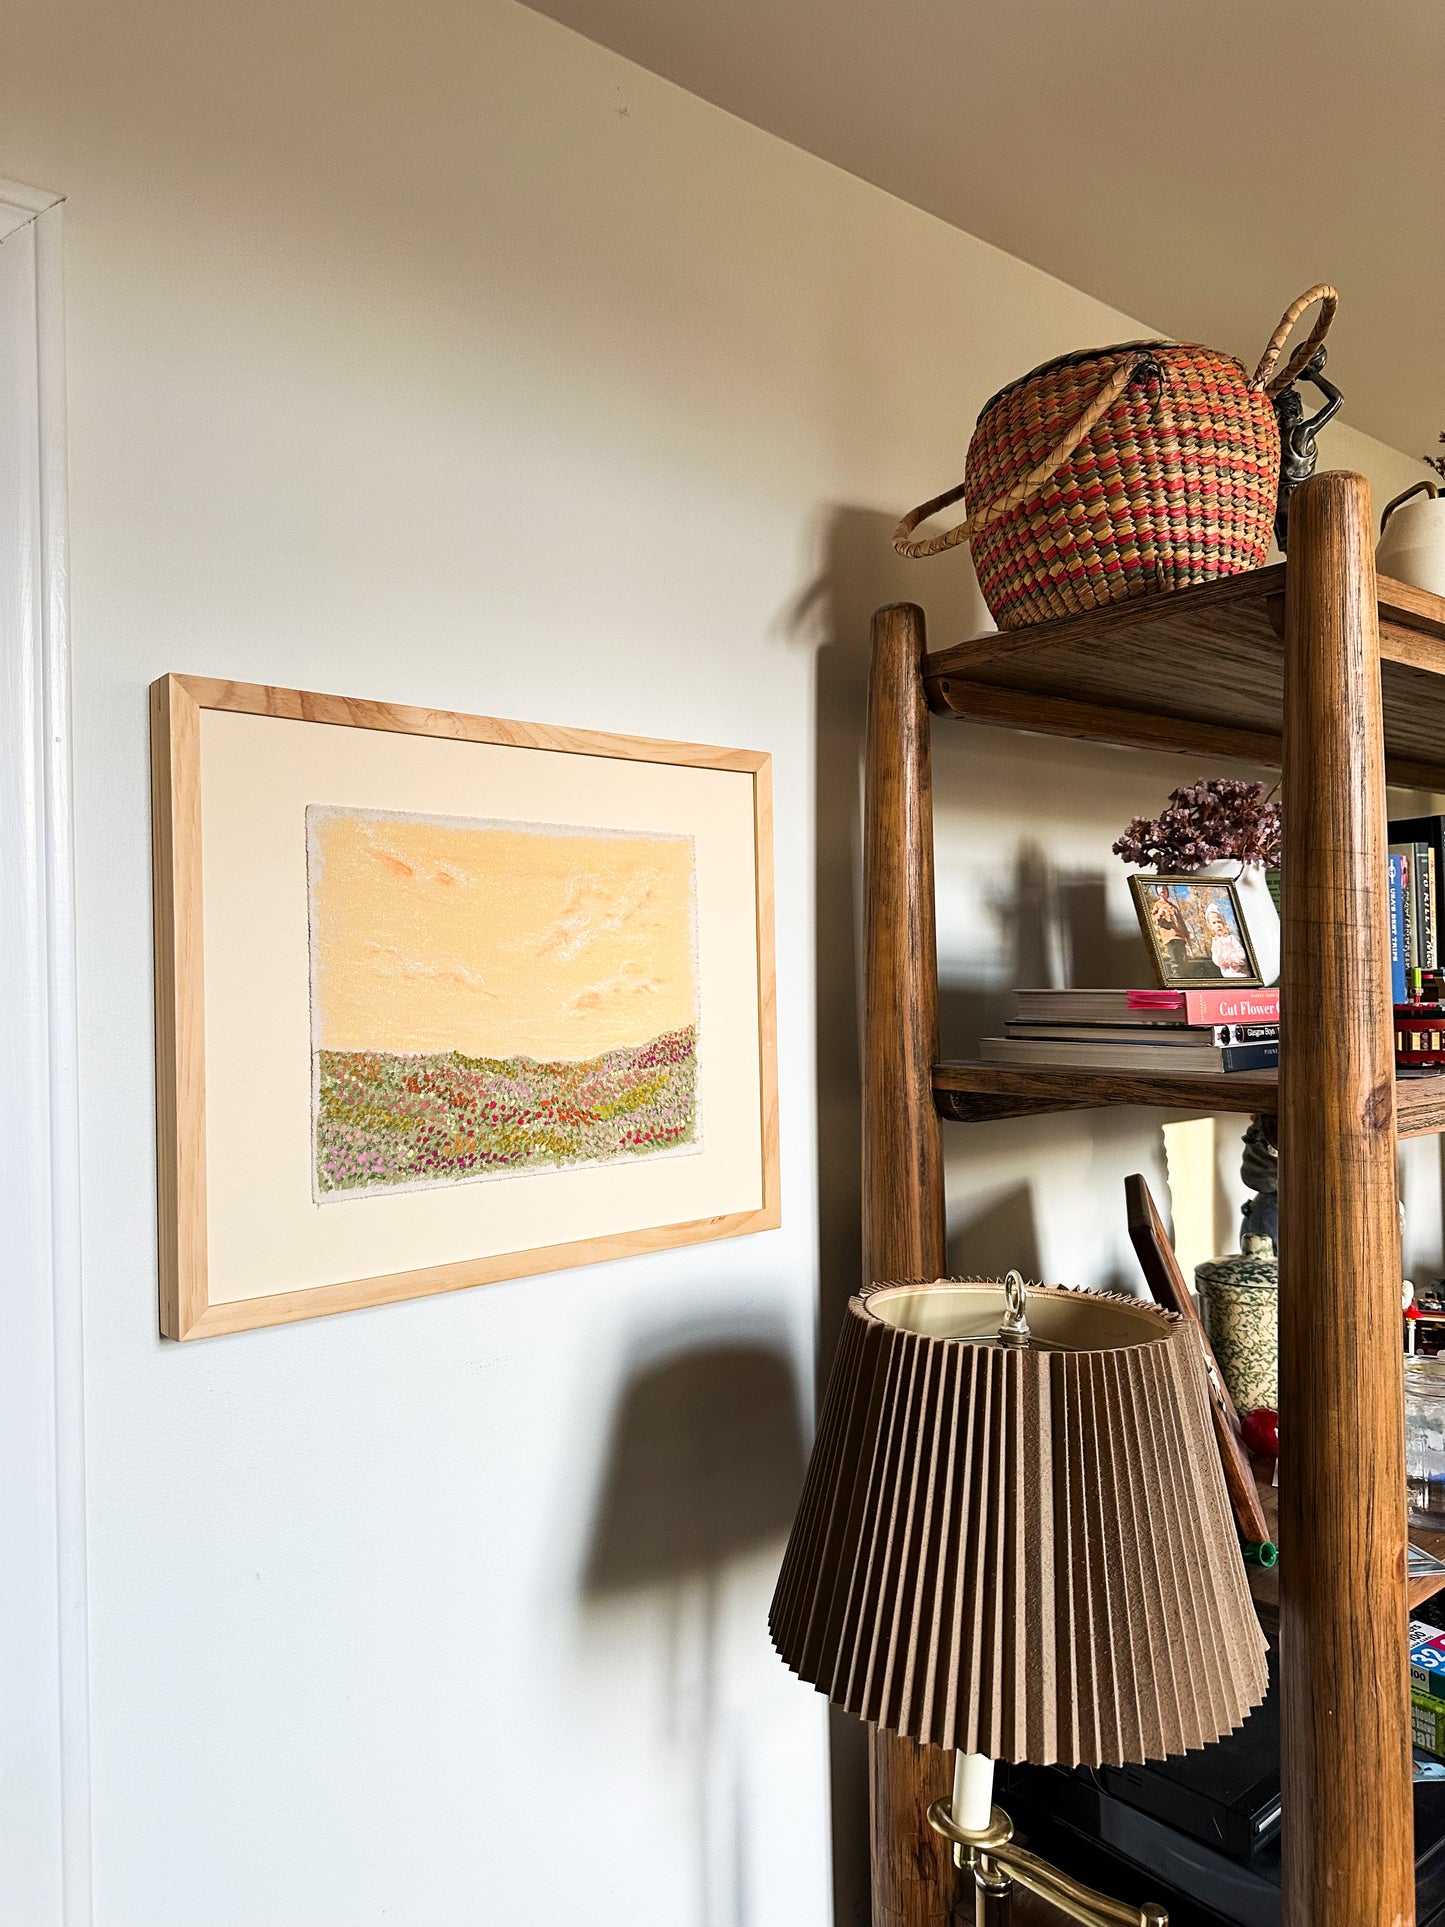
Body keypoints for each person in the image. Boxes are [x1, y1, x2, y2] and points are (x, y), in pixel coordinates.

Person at [1205, 899, 1251, 978]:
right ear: (1210, 926)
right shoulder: (1215, 942)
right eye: (1214, 923)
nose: (1218, 925)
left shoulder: (1231, 938)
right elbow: (1215, 956)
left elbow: (1242, 955)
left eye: (1219, 922)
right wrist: (1219, 961)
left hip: (1240, 974)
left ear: (1224, 923)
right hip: (1227, 976)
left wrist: (1230, 959)